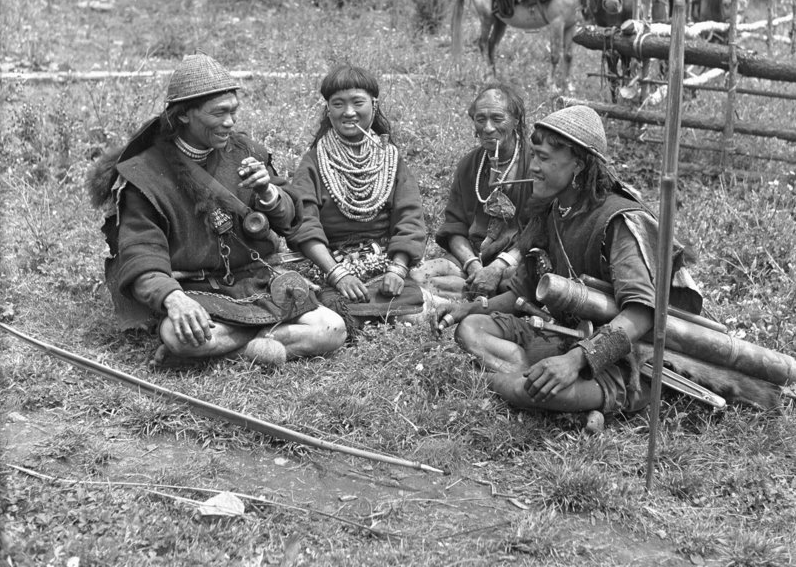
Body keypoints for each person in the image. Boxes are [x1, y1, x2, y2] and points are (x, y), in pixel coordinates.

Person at [434, 104, 702, 416]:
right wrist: (471, 308)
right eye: (534, 156)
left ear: (578, 165)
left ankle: (522, 383)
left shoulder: (617, 221)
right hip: (564, 335)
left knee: (528, 391)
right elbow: (522, 293)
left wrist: (575, 361)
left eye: (544, 158)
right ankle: (537, 381)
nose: (534, 167)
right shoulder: (551, 211)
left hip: (621, 358)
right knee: (471, 329)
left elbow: (641, 314)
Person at [89, 53, 346, 369]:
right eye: (219, 113)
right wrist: (173, 299)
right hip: (196, 290)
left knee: (332, 329)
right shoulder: (145, 176)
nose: (230, 122)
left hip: (256, 282)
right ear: (184, 115)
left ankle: (224, 351)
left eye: (233, 111)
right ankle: (262, 341)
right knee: (177, 334)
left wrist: (268, 193)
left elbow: (290, 220)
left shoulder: (245, 152)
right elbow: (140, 254)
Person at [286, 65, 427, 335]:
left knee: (412, 309)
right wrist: (337, 274)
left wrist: (397, 269)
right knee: (330, 312)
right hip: (327, 264)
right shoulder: (313, 161)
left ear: (374, 105)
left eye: (357, 102)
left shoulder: (391, 159)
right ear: (328, 110)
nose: (348, 112)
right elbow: (304, 223)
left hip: (381, 262)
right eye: (338, 104)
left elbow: (409, 217)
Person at [413, 83, 537, 300]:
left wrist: (498, 267)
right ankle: (478, 294)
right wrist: (473, 266)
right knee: (418, 277)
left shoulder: (536, 164)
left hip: (515, 259)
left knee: (516, 280)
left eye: (497, 119)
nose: (488, 128)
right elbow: (455, 227)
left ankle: (475, 298)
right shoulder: (469, 165)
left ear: (516, 120)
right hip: (473, 259)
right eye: (481, 119)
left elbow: (540, 229)